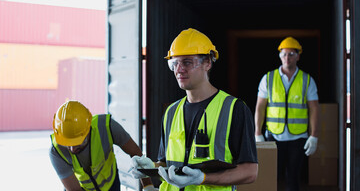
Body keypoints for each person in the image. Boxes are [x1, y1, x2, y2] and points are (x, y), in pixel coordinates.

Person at [129, 28, 258, 191]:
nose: (179, 69)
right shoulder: (171, 112)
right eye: (174, 63)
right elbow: (167, 163)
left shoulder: (234, 109)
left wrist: (203, 178)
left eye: (187, 62)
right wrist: (151, 167)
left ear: (208, 63)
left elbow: (250, 172)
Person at [254, 37, 320, 191]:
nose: (287, 58)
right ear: (279, 56)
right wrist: (257, 133)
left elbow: (314, 109)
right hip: (273, 136)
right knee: (271, 177)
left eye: (291, 54)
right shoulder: (268, 78)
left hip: (298, 138)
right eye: (284, 54)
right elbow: (260, 107)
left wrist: (314, 135)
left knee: (293, 178)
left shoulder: (307, 80)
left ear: (298, 56)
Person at [49, 100, 156, 191]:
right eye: (67, 143)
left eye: (77, 141)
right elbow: (74, 189)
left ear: (88, 129)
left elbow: (136, 154)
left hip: (110, 185)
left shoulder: (107, 127)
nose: (72, 149)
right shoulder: (56, 151)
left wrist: (148, 186)